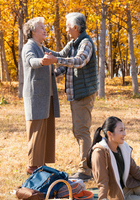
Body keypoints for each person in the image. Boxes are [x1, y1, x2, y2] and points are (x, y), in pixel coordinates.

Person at [42, 12, 98, 181]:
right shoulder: (73, 42)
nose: (66, 29)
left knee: (82, 131)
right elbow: (61, 56)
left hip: (84, 93)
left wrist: (55, 61)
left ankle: (86, 170)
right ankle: (86, 167)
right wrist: (42, 49)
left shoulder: (86, 43)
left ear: (75, 27)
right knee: (78, 131)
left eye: (67, 26)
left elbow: (79, 61)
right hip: (76, 94)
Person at [89, 116, 140, 200]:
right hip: (121, 196)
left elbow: (136, 172)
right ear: (109, 134)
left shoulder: (123, 148)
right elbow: (102, 183)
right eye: (121, 130)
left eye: (124, 130)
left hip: (133, 185)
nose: (124, 134)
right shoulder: (99, 153)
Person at [21, 17, 60, 175]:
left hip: (47, 96)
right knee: (36, 131)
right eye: (41, 28)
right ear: (32, 32)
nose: (45, 30)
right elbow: (31, 61)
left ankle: (42, 164)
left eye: (45, 27)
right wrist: (43, 61)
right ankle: (32, 166)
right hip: (36, 96)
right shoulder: (29, 47)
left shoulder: (42, 47)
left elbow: (56, 60)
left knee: (46, 130)